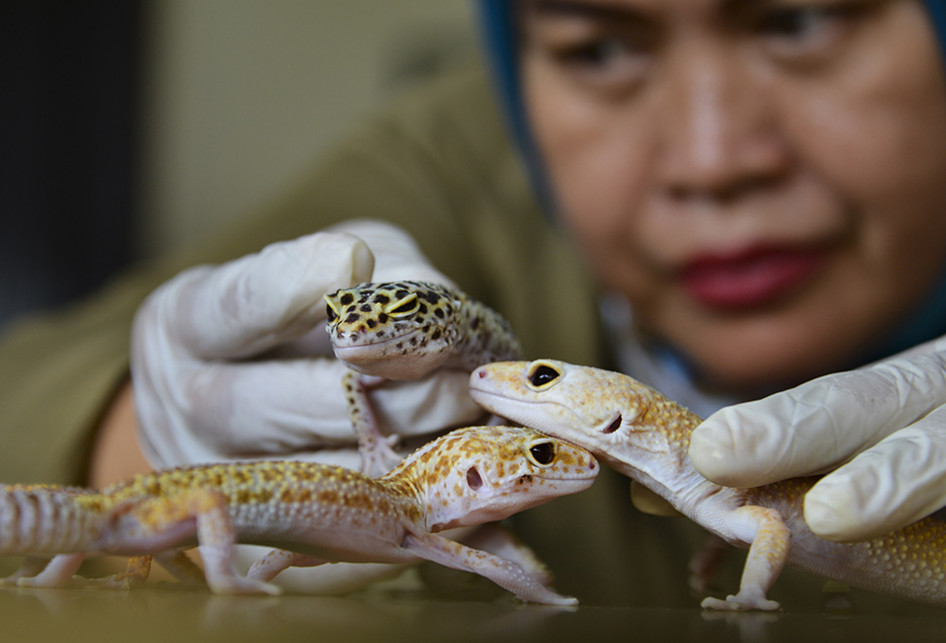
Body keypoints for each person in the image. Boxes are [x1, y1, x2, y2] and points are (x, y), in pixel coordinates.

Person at [3, 0, 946, 607]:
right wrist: (149, 439)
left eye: (802, 20)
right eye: (600, 46)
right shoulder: (463, 148)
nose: (713, 162)